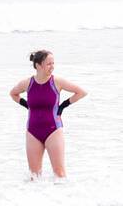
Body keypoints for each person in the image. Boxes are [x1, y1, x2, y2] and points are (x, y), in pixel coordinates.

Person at [10, 50, 88, 179]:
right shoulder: (27, 83)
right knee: (34, 176)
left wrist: (63, 105)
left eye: (53, 63)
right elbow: (13, 94)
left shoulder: (57, 81)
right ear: (38, 65)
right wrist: (27, 105)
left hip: (54, 130)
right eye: (48, 64)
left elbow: (81, 92)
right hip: (32, 132)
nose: (52, 66)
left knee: (60, 174)